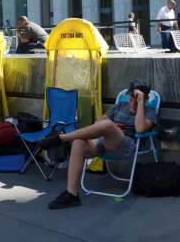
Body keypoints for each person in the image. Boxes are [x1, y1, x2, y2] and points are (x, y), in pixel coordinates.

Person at [40, 80, 157, 210]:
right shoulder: (120, 106)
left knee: (108, 125)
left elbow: (140, 129)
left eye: (137, 100)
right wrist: (114, 128)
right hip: (104, 142)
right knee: (79, 142)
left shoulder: (149, 111)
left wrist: (140, 105)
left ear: (145, 99)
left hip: (126, 147)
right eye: (131, 99)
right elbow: (98, 123)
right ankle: (71, 194)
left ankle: (61, 138)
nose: (133, 103)